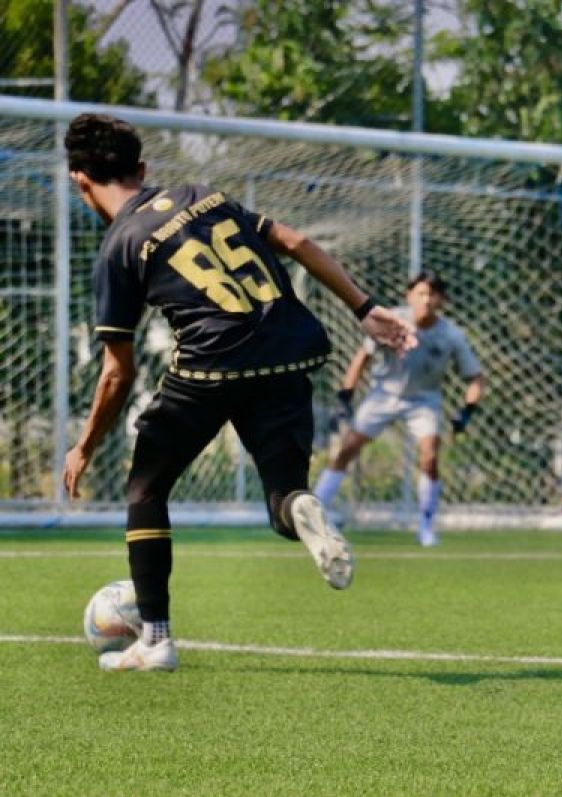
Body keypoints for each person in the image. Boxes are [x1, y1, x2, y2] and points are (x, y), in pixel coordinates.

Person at [61, 113, 415, 672]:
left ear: (80, 181)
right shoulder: (205, 195)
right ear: (143, 169)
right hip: (289, 350)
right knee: (283, 499)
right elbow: (295, 242)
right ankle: (300, 505)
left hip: (211, 367)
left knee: (146, 488)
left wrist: (84, 446)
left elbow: (116, 373)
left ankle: (154, 638)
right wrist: (366, 308)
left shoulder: (120, 245)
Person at [313, 272, 484, 546]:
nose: (426, 300)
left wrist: (467, 411)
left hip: (424, 401)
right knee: (348, 447)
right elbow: (362, 359)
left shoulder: (452, 335)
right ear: (409, 295)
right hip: (383, 395)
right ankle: (315, 511)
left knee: (429, 455)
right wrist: (346, 395)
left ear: (442, 300)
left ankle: (427, 527)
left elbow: (475, 377)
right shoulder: (392, 320)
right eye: (420, 293)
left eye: (432, 295)